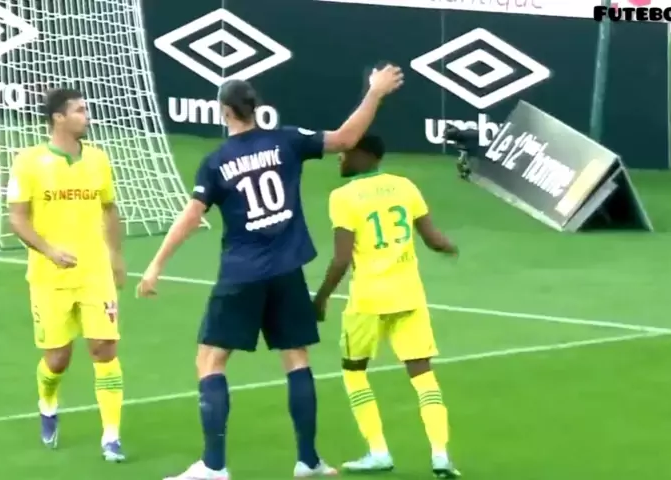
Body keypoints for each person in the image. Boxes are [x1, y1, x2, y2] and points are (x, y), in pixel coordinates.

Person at [136, 65, 405, 480]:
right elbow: (346, 139)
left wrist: (156, 265)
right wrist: (375, 92)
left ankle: (214, 466)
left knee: (210, 360)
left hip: (242, 273)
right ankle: (308, 460)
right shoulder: (287, 141)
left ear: (226, 112)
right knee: (296, 358)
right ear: (256, 108)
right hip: (286, 271)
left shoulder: (217, 162)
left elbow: (191, 217)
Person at [312, 134, 461, 478]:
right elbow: (433, 239)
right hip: (409, 295)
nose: (339, 158)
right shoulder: (404, 186)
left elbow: (341, 259)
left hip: (368, 300)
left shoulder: (343, 197)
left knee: (354, 371)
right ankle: (440, 455)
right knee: (423, 375)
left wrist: (320, 299)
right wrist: (450, 247)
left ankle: (378, 451)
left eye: (345, 152)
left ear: (365, 155)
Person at [7, 88, 127, 462]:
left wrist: (116, 255)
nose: (86, 116)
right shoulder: (29, 162)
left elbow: (109, 208)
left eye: (85, 110)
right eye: (79, 110)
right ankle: (47, 403)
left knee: (104, 348)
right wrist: (49, 250)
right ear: (58, 118)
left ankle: (111, 436)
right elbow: (17, 218)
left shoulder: (98, 160)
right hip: (49, 277)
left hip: (95, 273)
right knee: (58, 358)